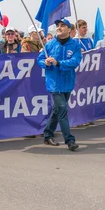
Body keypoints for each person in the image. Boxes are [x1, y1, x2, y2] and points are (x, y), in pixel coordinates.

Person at [37, 18, 81, 151]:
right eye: (58, 25)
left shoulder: (75, 45)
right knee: (62, 110)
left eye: (63, 25)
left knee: (57, 111)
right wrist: (46, 63)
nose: (59, 27)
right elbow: (39, 60)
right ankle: (70, 140)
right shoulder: (49, 44)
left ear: (69, 29)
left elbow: (75, 61)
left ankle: (47, 135)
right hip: (54, 84)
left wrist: (59, 63)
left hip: (68, 82)